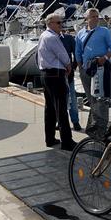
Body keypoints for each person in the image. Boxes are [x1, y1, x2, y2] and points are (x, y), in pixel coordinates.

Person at [76, 7, 111, 140]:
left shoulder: (104, 31)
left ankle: (102, 129)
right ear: (86, 19)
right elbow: (78, 51)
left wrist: (104, 58)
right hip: (87, 68)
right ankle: (95, 127)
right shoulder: (80, 34)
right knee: (92, 99)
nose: (95, 18)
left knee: (102, 99)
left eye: (97, 16)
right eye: (92, 16)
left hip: (101, 68)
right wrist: (80, 66)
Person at [37, 13, 76, 150]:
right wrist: (69, 65)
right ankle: (67, 141)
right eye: (59, 23)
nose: (61, 25)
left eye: (61, 22)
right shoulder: (52, 38)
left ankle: (50, 138)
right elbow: (63, 55)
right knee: (61, 108)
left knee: (50, 109)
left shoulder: (43, 36)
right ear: (50, 24)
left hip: (46, 74)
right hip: (55, 74)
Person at [60, 27, 81, 131]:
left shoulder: (69, 38)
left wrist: (73, 66)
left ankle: (75, 121)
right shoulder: (49, 39)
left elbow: (76, 53)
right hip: (55, 76)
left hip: (69, 75)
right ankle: (58, 121)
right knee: (58, 100)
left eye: (60, 24)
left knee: (72, 99)